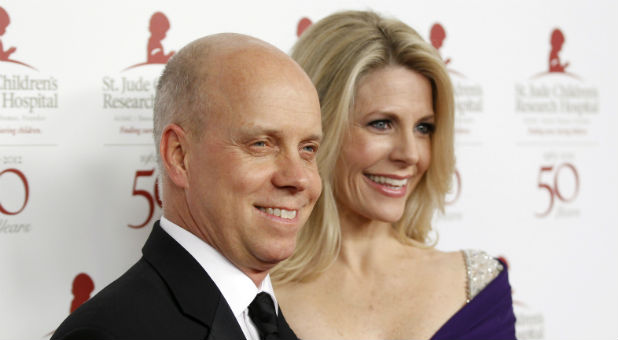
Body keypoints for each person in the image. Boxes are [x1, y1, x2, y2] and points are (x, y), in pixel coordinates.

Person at [52, 33, 323, 340]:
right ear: (179, 156)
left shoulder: (269, 320)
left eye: (308, 149)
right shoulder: (106, 334)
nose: (299, 178)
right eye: (260, 144)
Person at [272, 11, 516, 340]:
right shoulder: (249, 291)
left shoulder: (477, 286)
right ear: (316, 129)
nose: (410, 154)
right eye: (382, 123)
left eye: (423, 128)